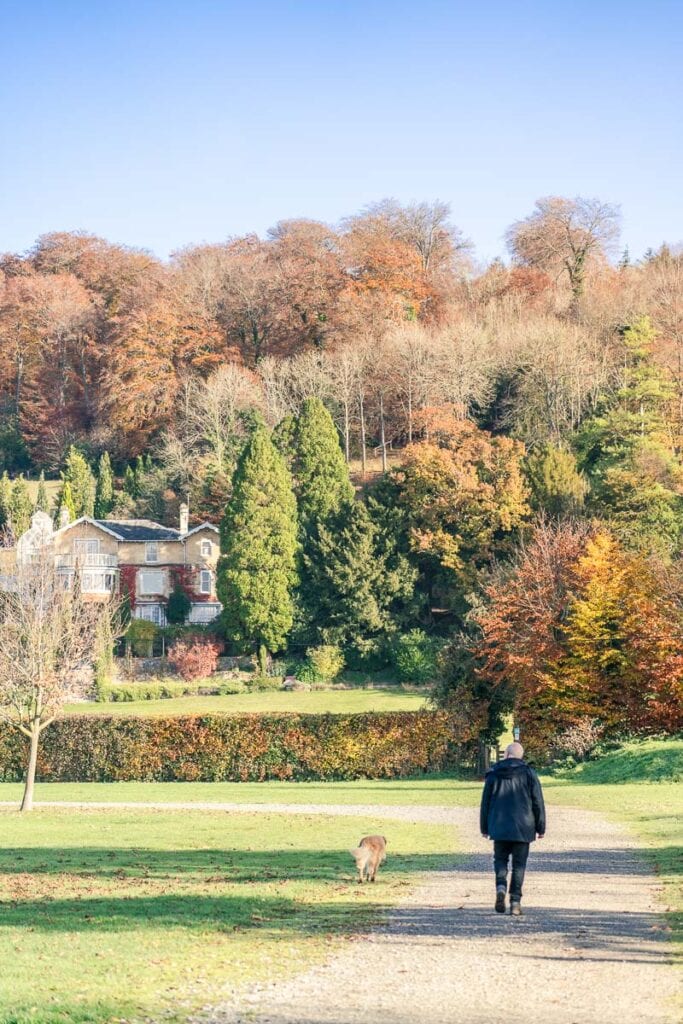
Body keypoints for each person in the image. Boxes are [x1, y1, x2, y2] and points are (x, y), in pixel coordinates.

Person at [479, 741, 546, 916]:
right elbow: (537, 801)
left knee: (500, 860)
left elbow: (485, 803)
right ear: (520, 756)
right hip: (523, 826)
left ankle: (501, 886)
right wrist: (541, 827)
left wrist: (484, 827)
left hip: (499, 825)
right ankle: (515, 901)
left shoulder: (494, 774)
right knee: (519, 865)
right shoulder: (529, 774)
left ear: (506, 755)